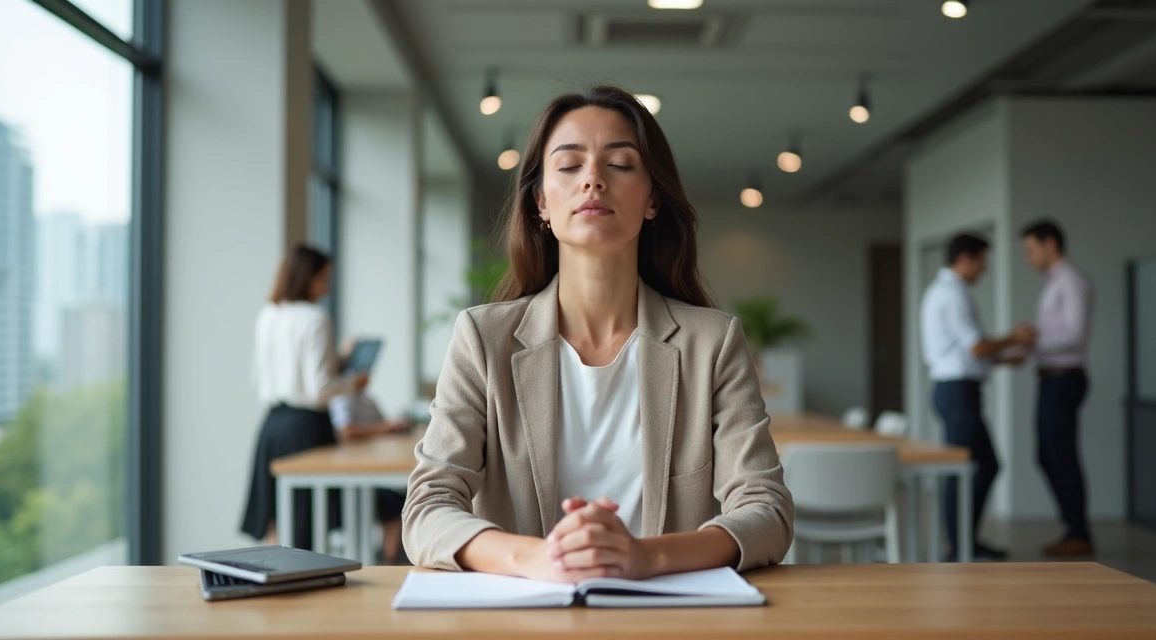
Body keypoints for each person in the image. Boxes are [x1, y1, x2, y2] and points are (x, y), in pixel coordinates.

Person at [401, 85, 793, 582]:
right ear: (541, 201)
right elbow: (427, 507)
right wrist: (537, 558)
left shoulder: (712, 343)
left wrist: (648, 556)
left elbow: (767, 509)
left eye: (621, 164)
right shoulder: (483, 338)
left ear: (652, 199)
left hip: (669, 618)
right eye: (569, 166)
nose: (593, 180)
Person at [241, 244, 365, 550]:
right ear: (308, 278)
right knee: (306, 524)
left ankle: (272, 587)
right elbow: (319, 389)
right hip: (306, 428)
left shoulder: (268, 315)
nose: (327, 285)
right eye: (324, 276)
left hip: (272, 424)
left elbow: (261, 375)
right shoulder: (315, 318)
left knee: (276, 520)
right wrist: (353, 382)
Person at [920, 233, 1034, 562]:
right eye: (982, 261)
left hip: (955, 389)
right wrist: (1014, 337)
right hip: (957, 392)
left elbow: (967, 353)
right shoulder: (952, 293)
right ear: (966, 258)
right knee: (970, 468)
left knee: (980, 466)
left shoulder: (944, 291)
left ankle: (963, 541)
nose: (984, 269)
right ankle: (958, 546)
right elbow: (976, 346)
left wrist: (1002, 359)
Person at [1021, 220, 1095, 557]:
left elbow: (1075, 334)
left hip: (1064, 378)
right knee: (1047, 454)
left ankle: (1078, 531)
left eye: (1031, 250)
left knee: (1061, 455)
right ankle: (1072, 527)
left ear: (1050, 244)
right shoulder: (1055, 283)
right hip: (1050, 377)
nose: (1029, 257)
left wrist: (1034, 343)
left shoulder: (1071, 282)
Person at [328, 339, 414, 564]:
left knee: (405, 499)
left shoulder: (367, 398)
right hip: (349, 479)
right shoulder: (341, 397)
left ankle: (391, 559)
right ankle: (388, 562)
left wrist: (393, 426)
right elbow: (345, 431)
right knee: (397, 504)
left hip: (369, 472)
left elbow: (383, 423)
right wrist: (387, 427)